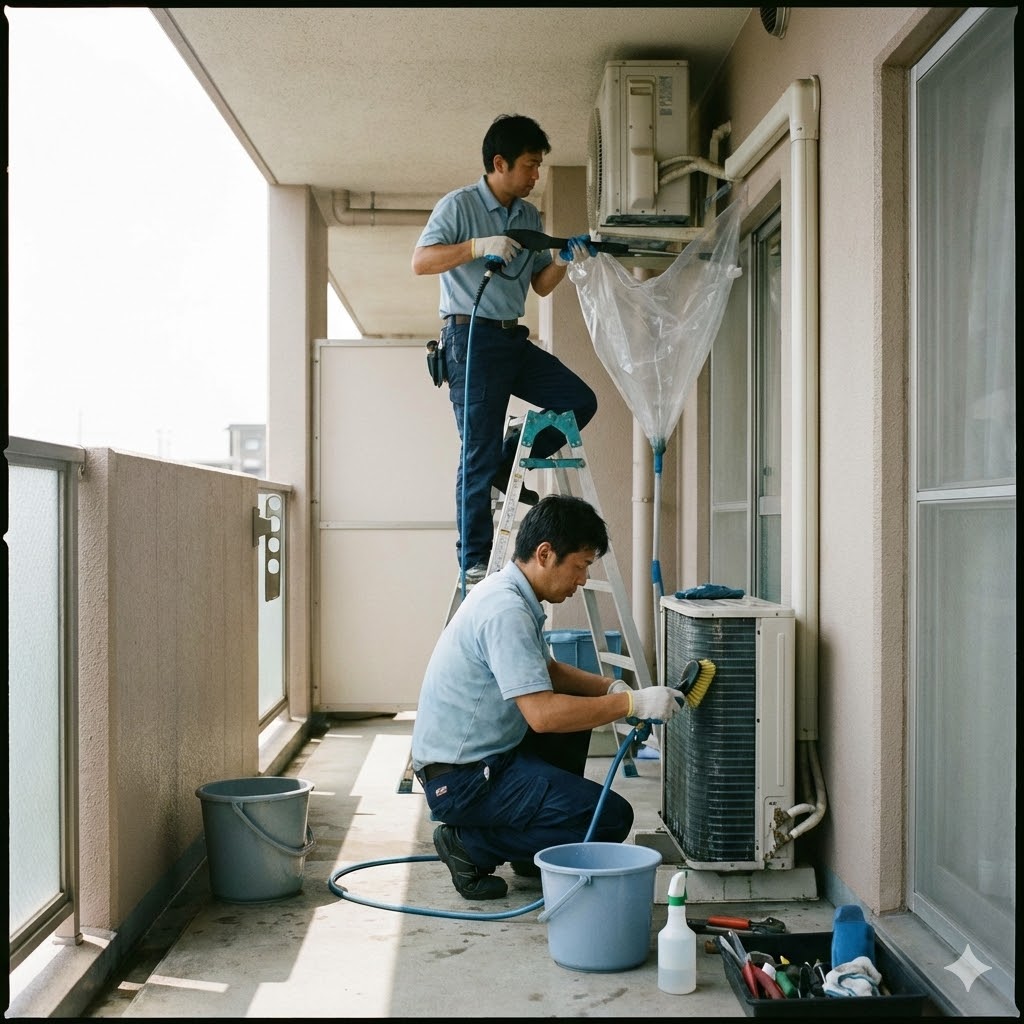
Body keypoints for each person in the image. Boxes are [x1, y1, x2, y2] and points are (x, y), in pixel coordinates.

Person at [410, 494, 682, 900]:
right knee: (610, 817)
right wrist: (633, 705)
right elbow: (542, 716)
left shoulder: (513, 594)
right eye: (581, 565)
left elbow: (549, 672)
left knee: (574, 724)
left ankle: (529, 848)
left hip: (481, 761)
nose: (583, 579)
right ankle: (469, 845)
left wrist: (611, 688)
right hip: (462, 781)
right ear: (545, 554)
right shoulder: (506, 611)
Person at [412, 113, 598, 584]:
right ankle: (473, 561)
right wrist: (476, 246)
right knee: (476, 452)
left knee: (579, 401)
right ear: (500, 162)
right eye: (531, 165)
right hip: (469, 337)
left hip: (512, 338)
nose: (537, 175)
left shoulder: (529, 216)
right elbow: (421, 261)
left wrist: (560, 260)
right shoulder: (458, 207)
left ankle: (508, 456)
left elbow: (539, 285)